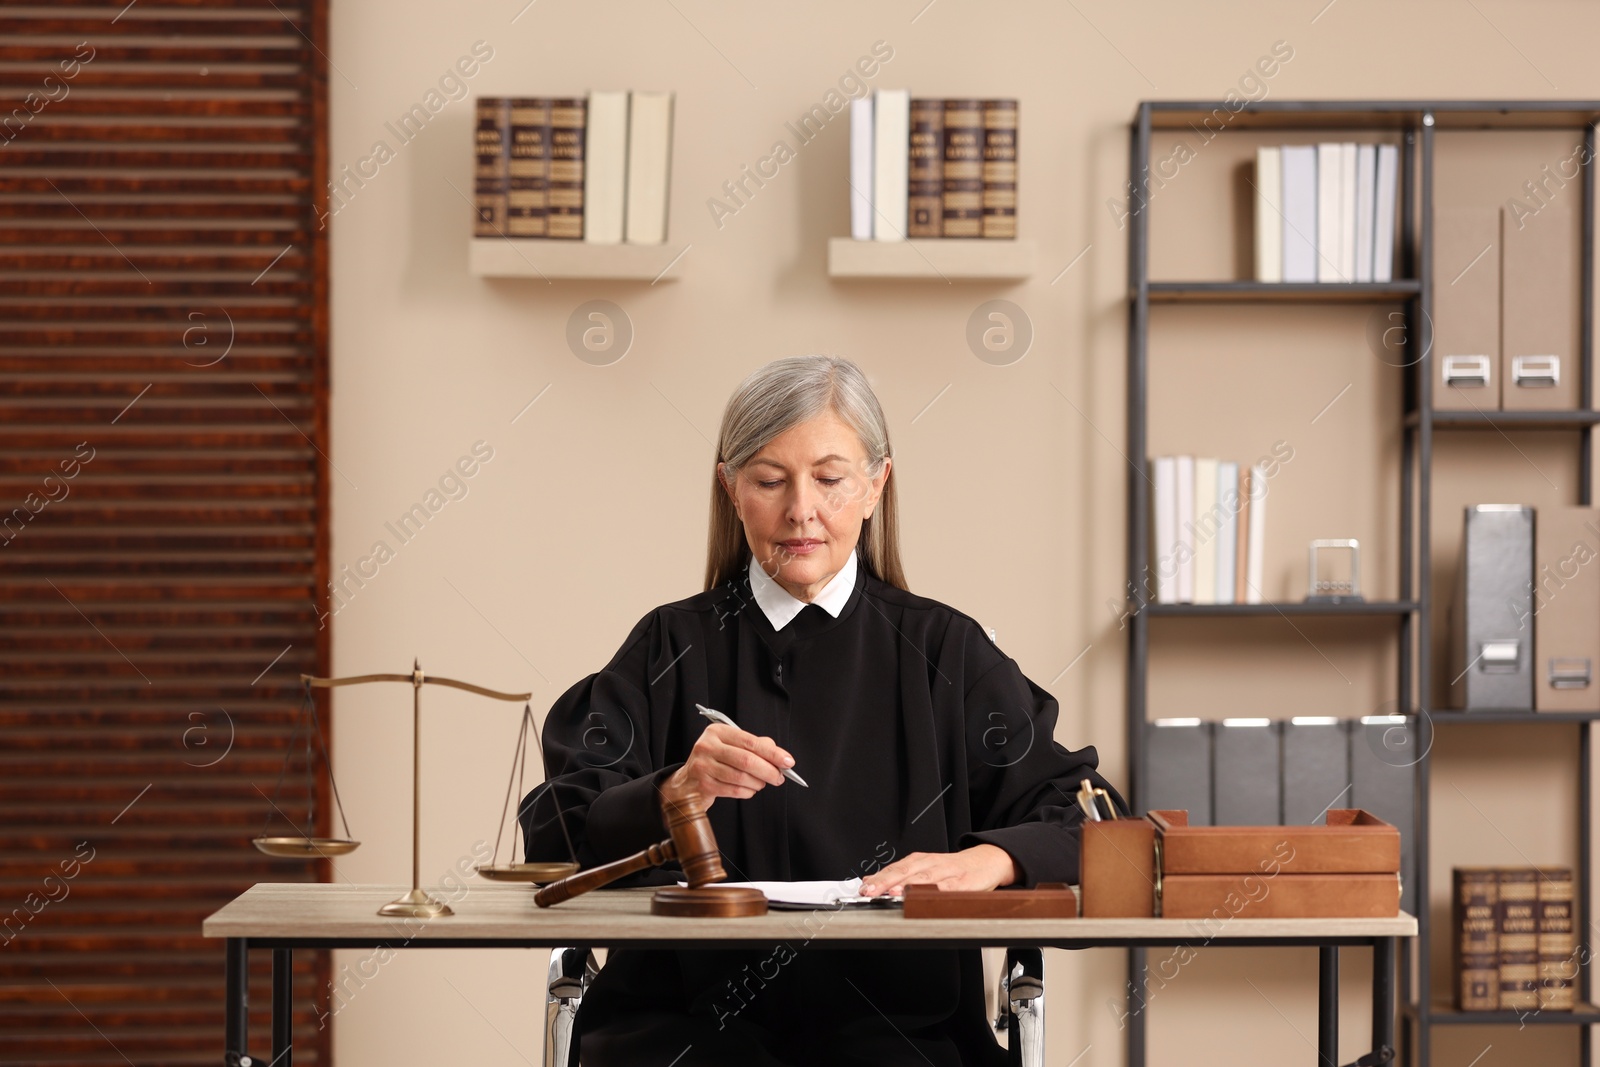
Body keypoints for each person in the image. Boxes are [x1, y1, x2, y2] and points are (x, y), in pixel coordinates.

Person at [521, 354, 1125, 1066]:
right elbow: (553, 832)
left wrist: (994, 859)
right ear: (731, 489)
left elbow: (1097, 825)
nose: (800, 509)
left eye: (831, 479)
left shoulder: (946, 652)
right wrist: (669, 794)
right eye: (769, 480)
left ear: (876, 486)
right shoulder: (668, 645)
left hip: (903, 1035)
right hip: (685, 1030)